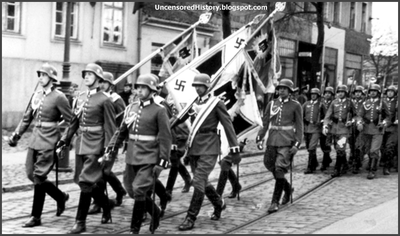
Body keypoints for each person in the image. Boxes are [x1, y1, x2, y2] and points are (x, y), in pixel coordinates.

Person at [8, 63, 72, 227]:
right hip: (35, 139)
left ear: (51, 78)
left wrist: (65, 141)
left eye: (43, 75)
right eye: (40, 75)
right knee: (31, 174)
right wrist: (17, 134)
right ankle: (60, 197)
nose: (41, 78)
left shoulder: (59, 97)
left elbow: (71, 121)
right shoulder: (36, 95)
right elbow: (26, 118)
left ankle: (36, 217)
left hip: (50, 140)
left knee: (39, 177)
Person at [106, 74, 172, 234]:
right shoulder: (131, 108)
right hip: (132, 156)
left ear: (151, 90)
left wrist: (163, 161)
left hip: (149, 156)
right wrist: (110, 147)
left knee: (139, 189)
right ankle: (154, 211)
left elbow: (165, 137)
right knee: (130, 188)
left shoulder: (159, 111)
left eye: (144, 88)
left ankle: (134, 229)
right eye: (139, 87)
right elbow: (121, 131)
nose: (139, 90)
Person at [57, 63, 117, 234]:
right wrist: (64, 140)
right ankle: (107, 204)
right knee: (81, 180)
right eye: (86, 74)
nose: (87, 77)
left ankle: (80, 222)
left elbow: (110, 128)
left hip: (96, 145)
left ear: (98, 79)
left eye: (91, 74)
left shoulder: (105, 99)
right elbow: (74, 122)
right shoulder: (81, 98)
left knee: (85, 181)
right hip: (81, 144)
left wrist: (108, 150)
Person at [177, 73, 241, 231]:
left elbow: (228, 126)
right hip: (195, 146)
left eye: (200, 86)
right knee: (202, 181)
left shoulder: (216, 103)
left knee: (198, 180)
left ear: (207, 86)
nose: (197, 88)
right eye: (195, 86)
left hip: (210, 145)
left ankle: (191, 216)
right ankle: (219, 203)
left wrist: (234, 149)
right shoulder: (193, 103)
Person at [256, 78, 302, 213]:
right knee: (269, 164)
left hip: (287, 142)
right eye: (280, 88)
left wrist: (297, 144)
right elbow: (265, 122)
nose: (281, 90)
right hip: (272, 140)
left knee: (280, 168)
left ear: (289, 91)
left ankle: (274, 202)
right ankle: (287, 189)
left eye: (285, 88)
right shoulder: (271, 104)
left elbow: (300, 126)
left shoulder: (296, 105)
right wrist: (260, 137)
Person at [87, 72, 127, 215]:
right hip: (97, 139)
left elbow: (124, 121)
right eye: (100, 81)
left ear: (111, 84)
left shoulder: (117, 100)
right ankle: (119, 190)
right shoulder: (95, 98)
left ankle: (99, 202)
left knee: (103, 171)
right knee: (99, 172)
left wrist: (119, 140)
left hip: (112, 139)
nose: (102, 84)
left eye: (105, 82)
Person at [355, 84, 390, 180]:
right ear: (369, 93)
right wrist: (359, 122)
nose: (373, 92)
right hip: (366, 130)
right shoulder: (365, 103)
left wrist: (384, 122)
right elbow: (359, 115)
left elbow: (388, 116)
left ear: (378, 92)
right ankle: (371, 164)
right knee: (367, 150)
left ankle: (372, 170)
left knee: (374, 150)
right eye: (371, 91)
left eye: (375, 91)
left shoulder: (382, 103)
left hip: (377, 130)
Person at [323, 85, 354, 178]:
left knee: (340, 149)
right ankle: (345, 164)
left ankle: (337, 169)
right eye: (339, 92)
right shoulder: (334, 102)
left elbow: (356, 115)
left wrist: (351, 121)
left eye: (342, 92)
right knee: (338, 149)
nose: (340, 93)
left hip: (344, 129)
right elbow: (328, 115)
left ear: (346, 93)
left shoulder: (350, 102)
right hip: (334, 129)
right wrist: (325, 125)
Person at [302, 88, 323, 174]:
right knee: (308, 147)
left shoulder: (321, 105)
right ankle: (315, 162)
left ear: (318, 96)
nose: (313, 95)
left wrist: (321, 121)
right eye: (312, 94)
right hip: (307, 128)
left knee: (312, 147)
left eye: (315, 94)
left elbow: (326, 116)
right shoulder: (306, 104)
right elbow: (300, 114)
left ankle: (310, 167)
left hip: (316, 129)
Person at [380, 85, 397, 174]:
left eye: (392, 91)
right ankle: (382, 160)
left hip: (394, 127)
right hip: (383, 126)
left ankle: (387, 166)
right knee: (382, 146)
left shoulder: (397, 102)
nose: (390, 93)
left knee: (389, 147)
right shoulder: (382, 102)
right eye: (388, 91)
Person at [349, 86, 365, 174]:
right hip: (351, 126)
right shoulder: (350, 102)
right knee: (351, 143)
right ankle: (352, 156)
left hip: (361, 126)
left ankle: (357, 162)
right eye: (356, 92)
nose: (358, 94)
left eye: (359, 92)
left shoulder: (365, 102)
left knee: (359, 144)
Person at [319, 86, 334, 171]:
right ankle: (327, 157)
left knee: (327, 143)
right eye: (326, 93)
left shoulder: (334, 103)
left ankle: (325, 162)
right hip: (322, 125)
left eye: (329, 93)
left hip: (331, 125)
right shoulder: (321, 103)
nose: (327, 95)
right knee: (322, 143)